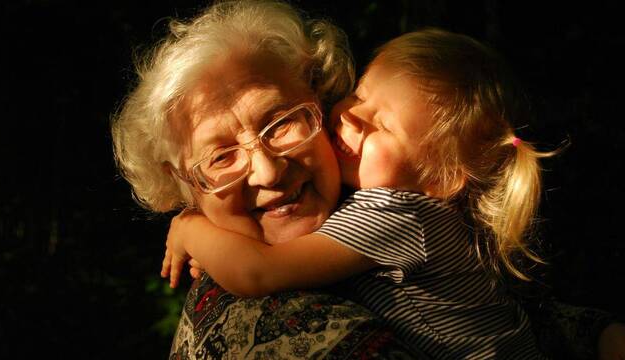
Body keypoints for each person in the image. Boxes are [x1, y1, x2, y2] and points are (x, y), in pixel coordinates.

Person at [110, 0, 624, 358]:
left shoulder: (389, 211)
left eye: (282, 122)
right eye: (221, 157)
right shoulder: (250, 325)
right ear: (184, 185)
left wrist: (187, 227)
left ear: (318, 102)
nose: (268, 170)